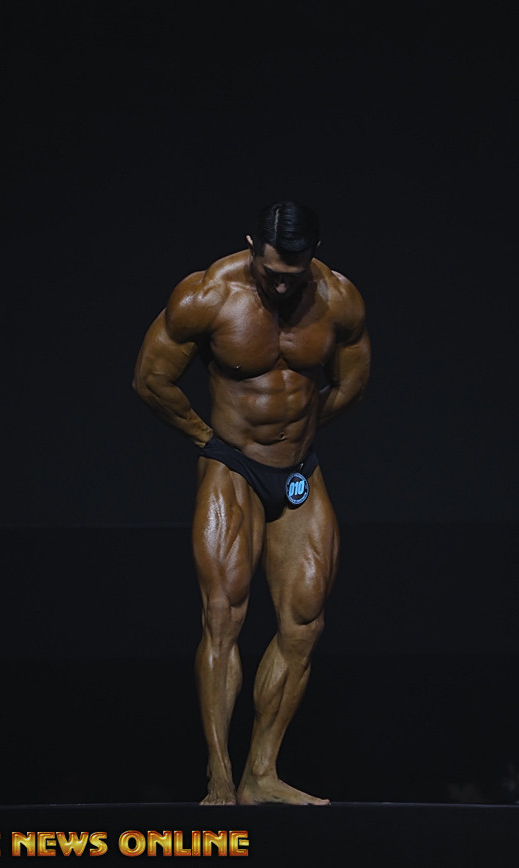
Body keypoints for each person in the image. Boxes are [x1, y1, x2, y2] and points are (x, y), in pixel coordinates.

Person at [132, 200, 370, 805]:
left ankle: (261, 773)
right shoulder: (208, 295)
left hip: (299, 471)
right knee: (224, 616)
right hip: (232, 464)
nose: (281, 285)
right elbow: (151, 379)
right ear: (250, 246)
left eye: (293, 274)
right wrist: (207, 440)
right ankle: (219, 775)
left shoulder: (340, 300)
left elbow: (351, 382)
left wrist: (299, 435)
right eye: (271, 272)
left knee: (305, 621)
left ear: (313, 256)